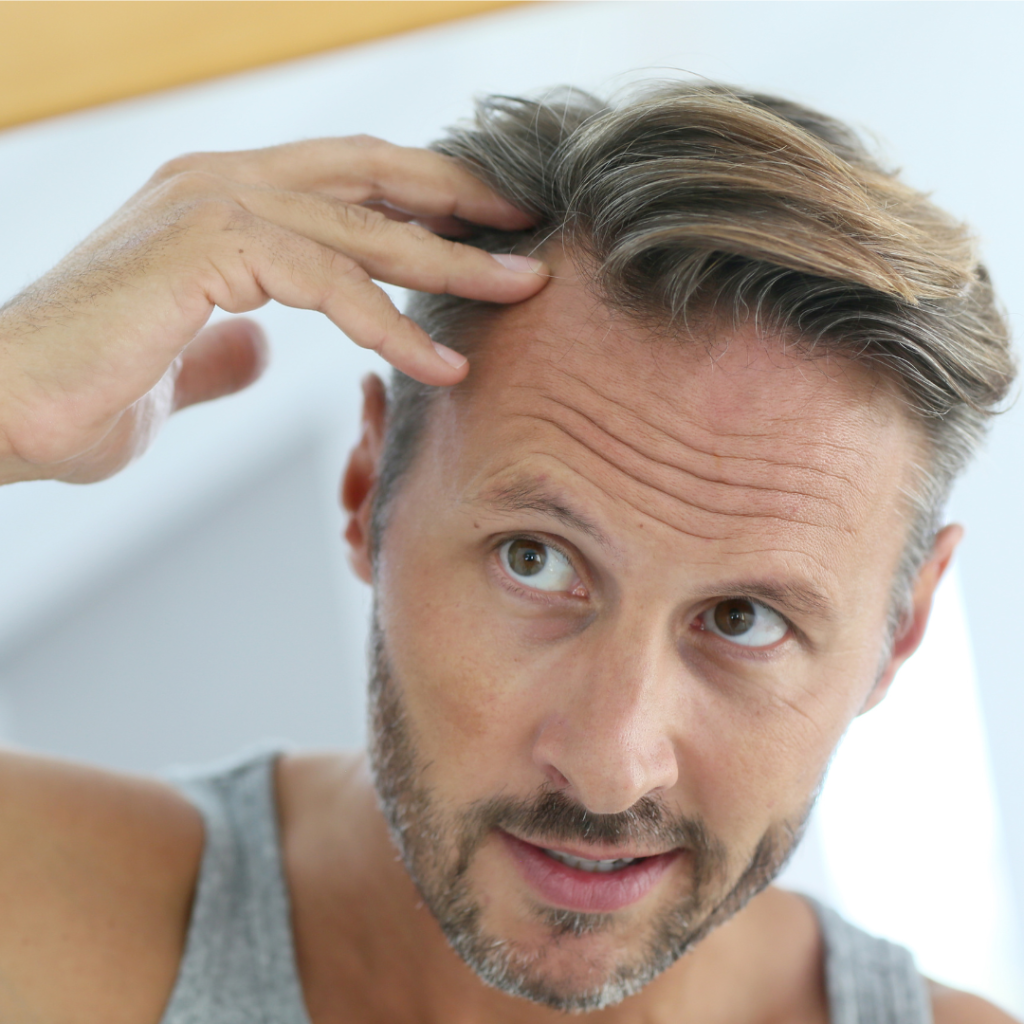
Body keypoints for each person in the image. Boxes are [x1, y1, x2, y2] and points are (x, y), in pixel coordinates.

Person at [0, 80, 1016, 1024]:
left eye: (744, 619)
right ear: (367, 494)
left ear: (901, 631)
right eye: (535, 559)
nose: (609, 768)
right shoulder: (41, 930)